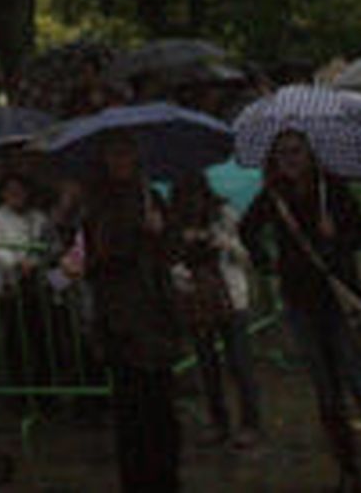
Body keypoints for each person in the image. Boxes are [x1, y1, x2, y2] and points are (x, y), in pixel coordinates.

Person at [240, 130, 361, 492]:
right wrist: (265, 261)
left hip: (340, 303)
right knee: (326, 393)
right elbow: (247, 229)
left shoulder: (331, 189)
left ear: (310, 153)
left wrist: (336, 236)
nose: (290, 159)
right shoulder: (273, 197)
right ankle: (349, 471)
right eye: (282, 154)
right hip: (301, 304)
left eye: (296, 151)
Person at [82, 131, 184, 492]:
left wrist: (161, 232)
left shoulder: (151, 197)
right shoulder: (97, 203)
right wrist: (136, 234)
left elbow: (172, 249)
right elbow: (96, 259)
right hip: (121, 321)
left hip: (156, 314)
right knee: (132, 412)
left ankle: (166, 476)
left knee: (162, 410)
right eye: (114, 154)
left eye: (126, 154)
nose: (121, 161)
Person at [169, 170, 262, 449]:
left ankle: (250, 422)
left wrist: (223, 242)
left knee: (239, 362)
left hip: (230, 297)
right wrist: (182, 269)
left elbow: (245, 255)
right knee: (207, 365)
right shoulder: (175, 225)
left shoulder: (223, 215)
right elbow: (171, 261)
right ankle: (218, 421)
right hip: (196, 301)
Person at [0, 173, 52, 385]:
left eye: (19, 190)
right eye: (10, 191)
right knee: (13, 340)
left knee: (40, 339)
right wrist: (14, 262)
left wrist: (35, 261)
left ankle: (44, 388)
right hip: (9, 286)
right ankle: (18, 389)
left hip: (36, 285)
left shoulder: (39, 217)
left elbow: (49, 246)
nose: (16, 195)